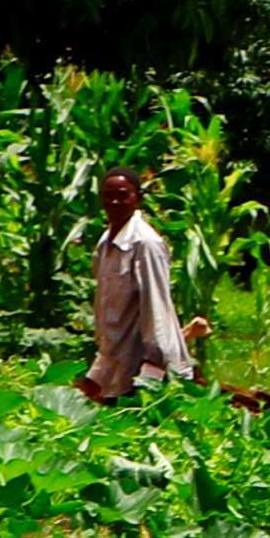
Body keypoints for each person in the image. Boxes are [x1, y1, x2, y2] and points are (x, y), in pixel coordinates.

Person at [83, 165, 203, 402]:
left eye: (123, 195)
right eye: (109, 196)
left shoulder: (145, 244)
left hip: (143, 362)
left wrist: (154, 361)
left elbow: (155, 304)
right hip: (114, 356)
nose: (115, 202)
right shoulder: (105, 243)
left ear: (137, 198)